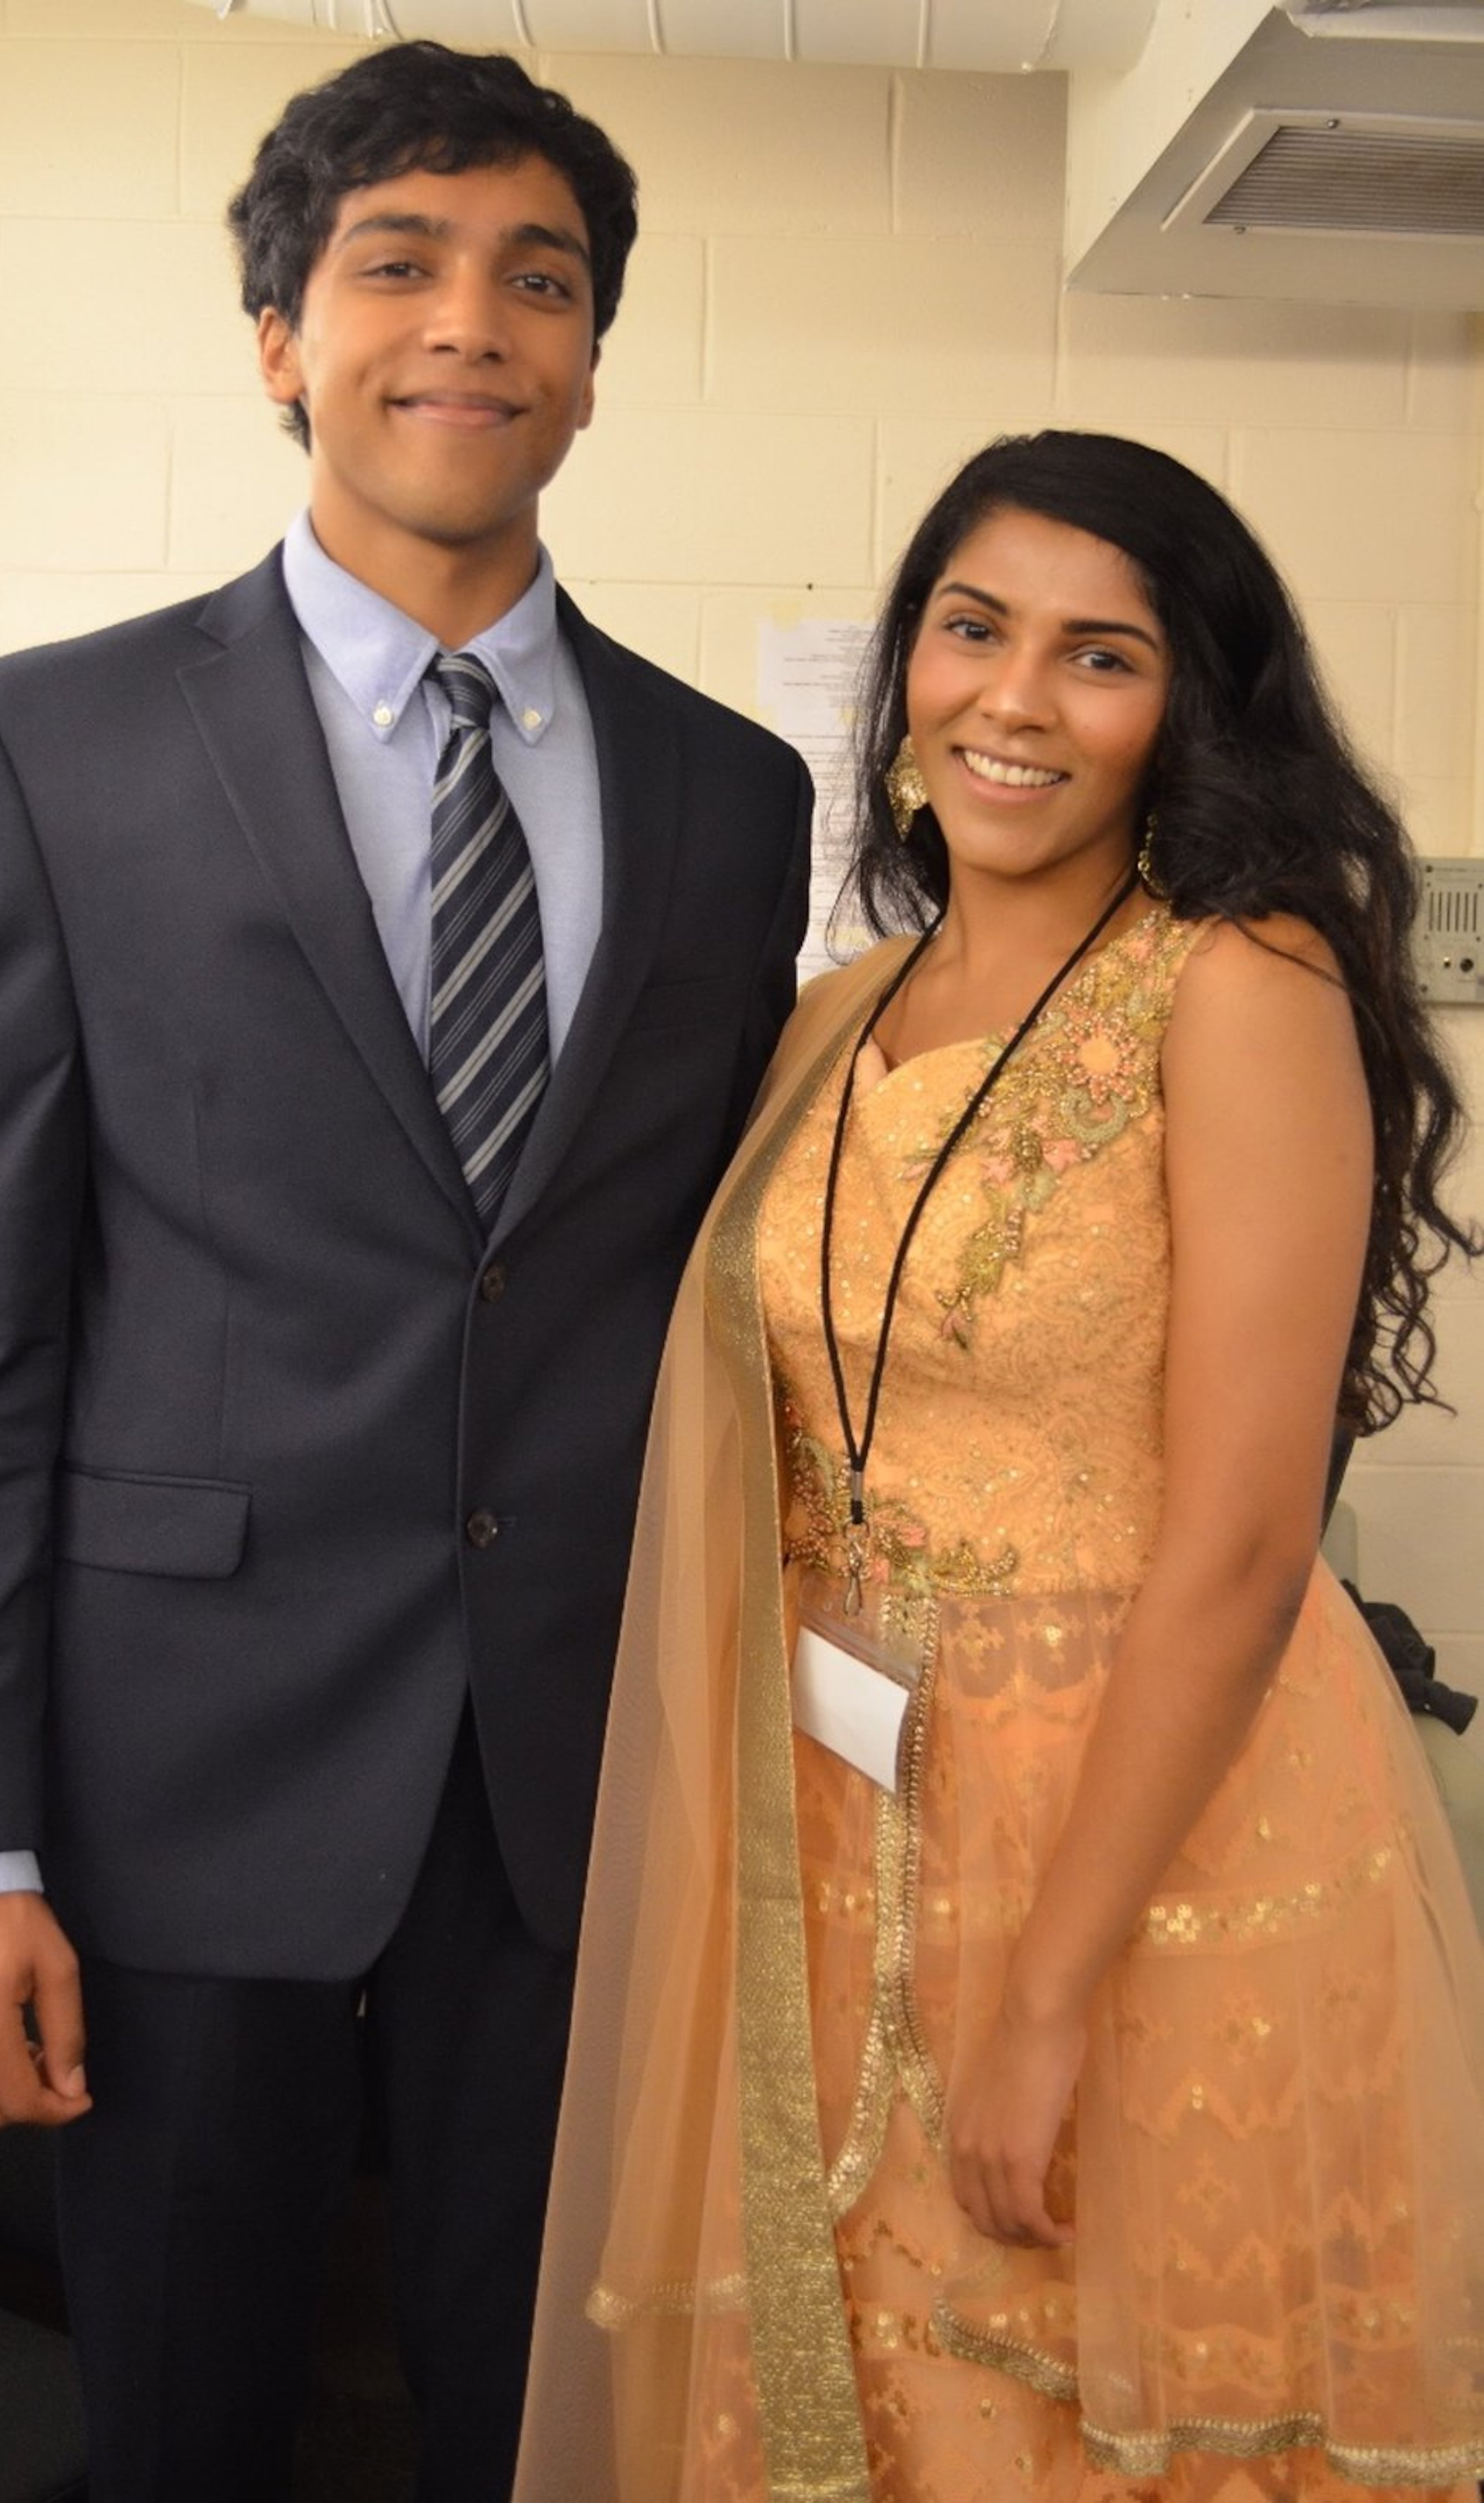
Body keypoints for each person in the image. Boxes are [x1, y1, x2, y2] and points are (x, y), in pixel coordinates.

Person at [0, 41, 810, 2503]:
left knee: (549, 2434)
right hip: (174, 1784)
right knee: (184, 2421)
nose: (471, 322)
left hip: (580, 1802)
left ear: (593, 362)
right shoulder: (57, 744)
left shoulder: (735, 795)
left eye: (541, 282)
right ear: (283, 334)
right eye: (400, 264)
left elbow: (715, 1312)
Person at [513, 430, 1484, 2503]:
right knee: (856, 2399)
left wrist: (1049, 1992)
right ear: (908, 669)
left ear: (1187, 713)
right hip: (834, 1814)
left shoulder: (1240, 981)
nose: (1016, 699)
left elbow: (1246, 1534)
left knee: (1089, 2404)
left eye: (1100, 655)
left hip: (1139, 1832)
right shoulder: (833, 1013)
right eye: (974, 629)